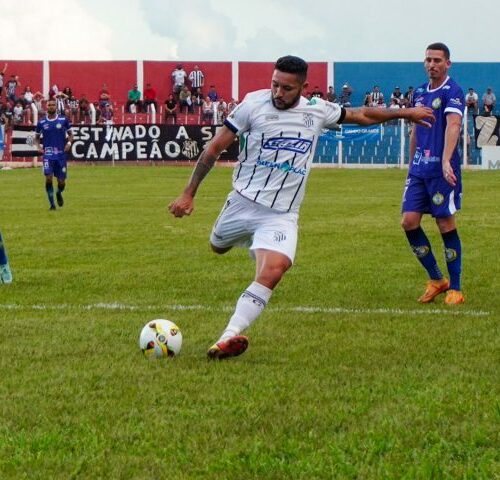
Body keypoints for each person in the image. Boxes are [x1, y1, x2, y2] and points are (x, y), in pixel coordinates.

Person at [168, 55, 434, 360]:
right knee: (217, 246)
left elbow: (361, 114)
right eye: (275, 85)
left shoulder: (316, 110)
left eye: (287, 88)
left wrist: (404, 114)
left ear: (303, 88)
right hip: (241, 204)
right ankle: (240, 242)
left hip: (281, 214)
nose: (278, 93)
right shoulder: (252, 105)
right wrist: (189, 193)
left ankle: (227, 337)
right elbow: (213, 149)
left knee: (275, 269)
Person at [401, 42, 465, 305]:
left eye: (437, 60)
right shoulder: (418, 93)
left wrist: (447, 161)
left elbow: (454, 125)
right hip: (419, 169)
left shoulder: (454, 90)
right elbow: (416, 131)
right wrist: (410, 166)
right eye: (428, 60)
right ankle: (437, 279)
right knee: (409, 222)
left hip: (442, 169)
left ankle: (456, 289)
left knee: (444, 224)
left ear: (447, 63)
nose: (432, 64)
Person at [34, 99, 74, 210]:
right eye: (49, 105)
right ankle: (52, 204)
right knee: (48, 178)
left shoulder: (63, 120)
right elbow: (36, 137)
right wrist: (39, 147)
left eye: (53, 105)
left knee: (61, 182)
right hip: (48, 155)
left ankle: (59, 193)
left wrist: (69, 143)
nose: (51, 106)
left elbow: (71, 134)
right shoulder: (41, 122)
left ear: (56, 107)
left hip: (60, 155)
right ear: (47, 107)